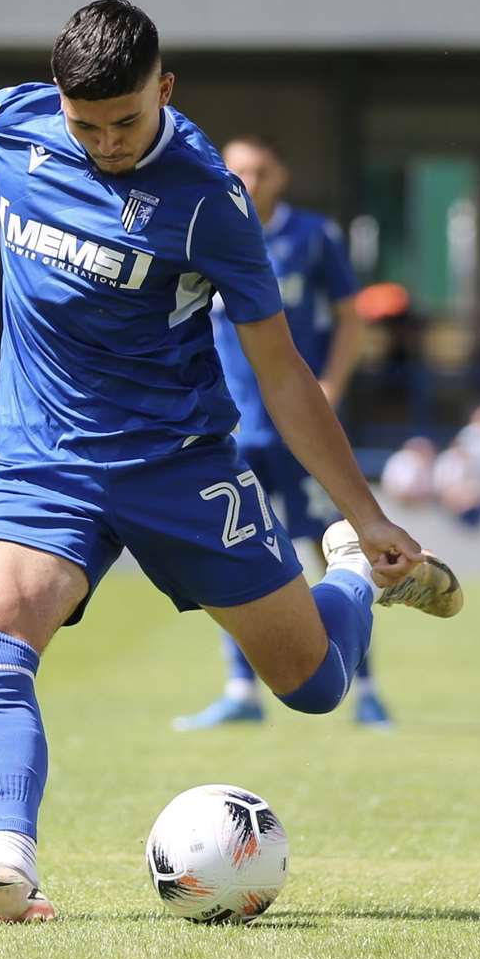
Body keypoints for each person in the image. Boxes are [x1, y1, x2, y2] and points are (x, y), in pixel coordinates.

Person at [0, 0, 462, 925]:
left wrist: (365, 519)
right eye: (89, 125)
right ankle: (7, 865)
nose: (107, 141)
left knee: (312, 687)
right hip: (44, 461)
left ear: (165, 88)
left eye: (126, 121)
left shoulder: (208, 201)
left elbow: (282, 373)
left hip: (176, 465)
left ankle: (350, 582)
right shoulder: (23, 118)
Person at [167, 135, 388, 731]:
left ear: (281, 175)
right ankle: (241, 689)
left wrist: (334, 382)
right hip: (229, 426)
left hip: (297, 425)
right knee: (234, 554)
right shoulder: (203, 226)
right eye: (239, 170)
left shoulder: (315, 236)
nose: (250, 181)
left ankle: (366, 688)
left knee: (335, 548)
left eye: (260, 170)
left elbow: (350, 315)